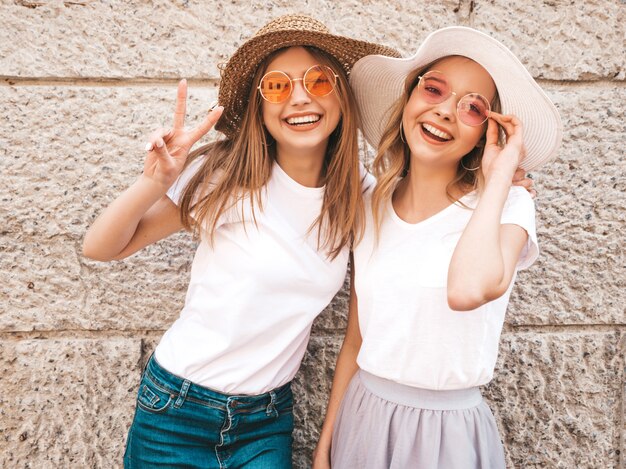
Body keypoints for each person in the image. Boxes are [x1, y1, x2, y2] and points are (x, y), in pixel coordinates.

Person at [82, 14, 400, 468]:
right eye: (277, 86)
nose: (300, 98)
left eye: (318, 81)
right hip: (176, 410)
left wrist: (495, 185)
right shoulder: (229, 175)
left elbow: (427, 218)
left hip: (265, 421)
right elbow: (100, 247)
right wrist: (154, 182)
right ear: (260, 105)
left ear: (342, 96)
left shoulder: (358, 196)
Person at [313, 26, 562, 469]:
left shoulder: (510, 206)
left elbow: (466, 290)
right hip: (364, 417)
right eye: (433, 89)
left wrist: (499, 177)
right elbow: (356, 338)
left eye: (472, 107)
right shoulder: (371, 204)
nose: (445, 111)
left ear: (488, 132)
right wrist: (326, 442)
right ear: (408, 100)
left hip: (447, 434)